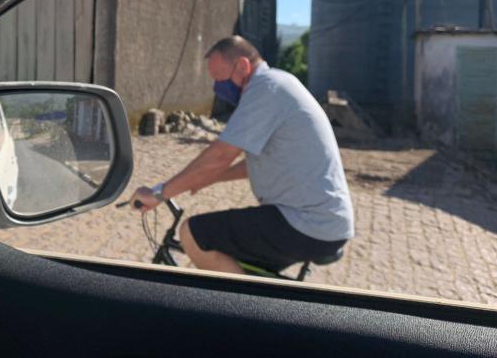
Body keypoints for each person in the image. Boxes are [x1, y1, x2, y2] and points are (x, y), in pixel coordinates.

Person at [129, 35, 354, 274]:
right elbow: (254, 163)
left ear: (243, 66)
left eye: (221, 79)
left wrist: (158, 193)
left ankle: (240, 298)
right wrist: (209, 178)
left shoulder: (265, 89)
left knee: (193, 234)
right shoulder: (278, 83)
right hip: (321, 222)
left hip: (306, 222)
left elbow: (220, 155)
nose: (218, 88)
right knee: (239, 260)